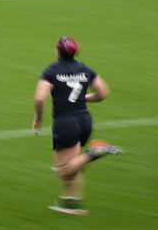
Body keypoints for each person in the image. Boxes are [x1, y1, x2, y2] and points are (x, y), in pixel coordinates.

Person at [32, 36, 122, 216]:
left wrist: (38, 118)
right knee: (73, 163)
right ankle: (72, 204)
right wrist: (84, 98)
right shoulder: (85, 69)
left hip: (65, 122)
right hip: (84, 120)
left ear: (57, 51)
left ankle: (94, 152)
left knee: (65, 172)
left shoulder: (52, 70)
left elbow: (39, 98)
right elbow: (103, 93)